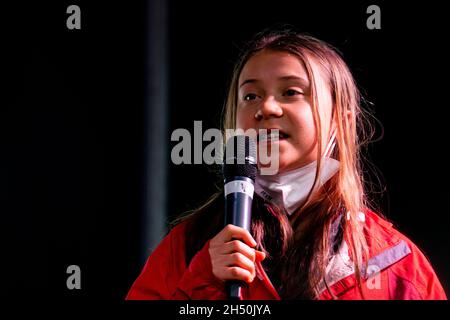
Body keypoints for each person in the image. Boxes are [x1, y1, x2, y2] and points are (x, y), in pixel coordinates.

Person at [126, 29, 447, 300]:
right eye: (250, 96)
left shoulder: (396, 265)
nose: (266, 107)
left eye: (291, 92)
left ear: (341, 121)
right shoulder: (188, 248)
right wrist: (203, 286)